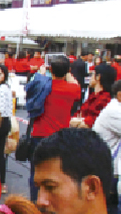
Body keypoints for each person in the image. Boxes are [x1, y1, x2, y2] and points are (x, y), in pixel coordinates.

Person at [26, 55, 82, 196]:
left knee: (36, 171)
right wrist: (67, 72)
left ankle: (35, 202)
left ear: (51, 69)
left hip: (39, 133)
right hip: (60, 136)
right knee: (57, 172)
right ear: (68, 70)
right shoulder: (72, 89)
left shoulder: (42, 86)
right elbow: (75, 84)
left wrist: (42, 73)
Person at [73, 63, 116, 129]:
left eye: (92, 74)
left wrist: (78, 121)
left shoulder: (104, 99)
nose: (90, 78)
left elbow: (92, 121)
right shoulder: (93, 96)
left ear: (98, 77)